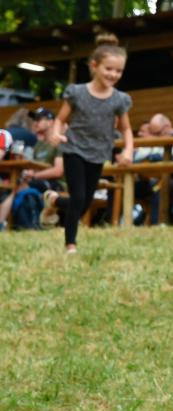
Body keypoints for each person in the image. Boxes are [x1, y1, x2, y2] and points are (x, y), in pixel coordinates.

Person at [48, 33, 134, 253]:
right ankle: (71, 244)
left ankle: (55, 201)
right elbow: (60, 119)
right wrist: (56, 133)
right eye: (109, 69)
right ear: (94, 66)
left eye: (119, 71)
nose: (114, 74)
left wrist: (128, 151)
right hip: (74, 148)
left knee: (85, 203)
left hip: (99, 153)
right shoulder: (76, 93)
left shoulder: (119, 99)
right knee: (77, 197)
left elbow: (125, 129)